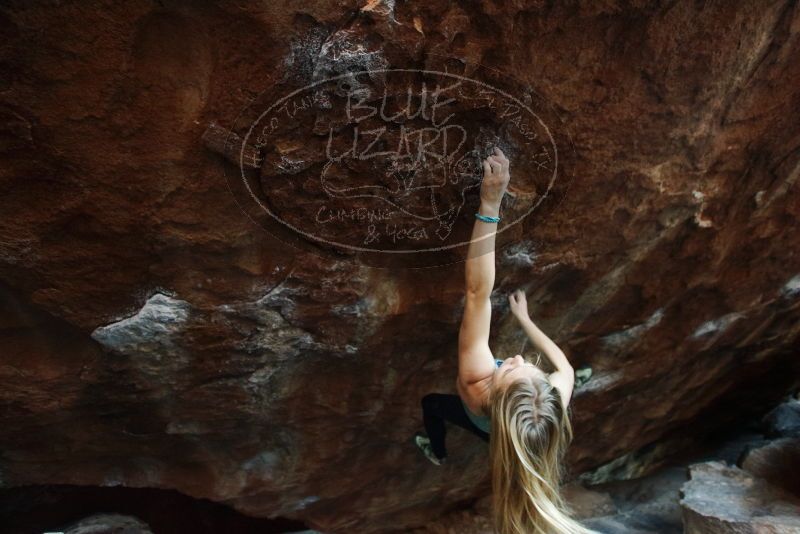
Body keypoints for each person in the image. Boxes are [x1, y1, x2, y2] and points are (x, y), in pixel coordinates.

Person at [414, 147, 598, 534]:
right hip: (511, 430)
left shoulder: (474, 382)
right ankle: (506, 446)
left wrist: (490, 202)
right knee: (513, 436)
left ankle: (436, 448)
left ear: (492, 393)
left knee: (432, 404)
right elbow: (563, 368)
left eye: (509, 370)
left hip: (485, 419)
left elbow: (478, 292)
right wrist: (525, 320)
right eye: (529, 368)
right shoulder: (548, 404)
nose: (515, 357)